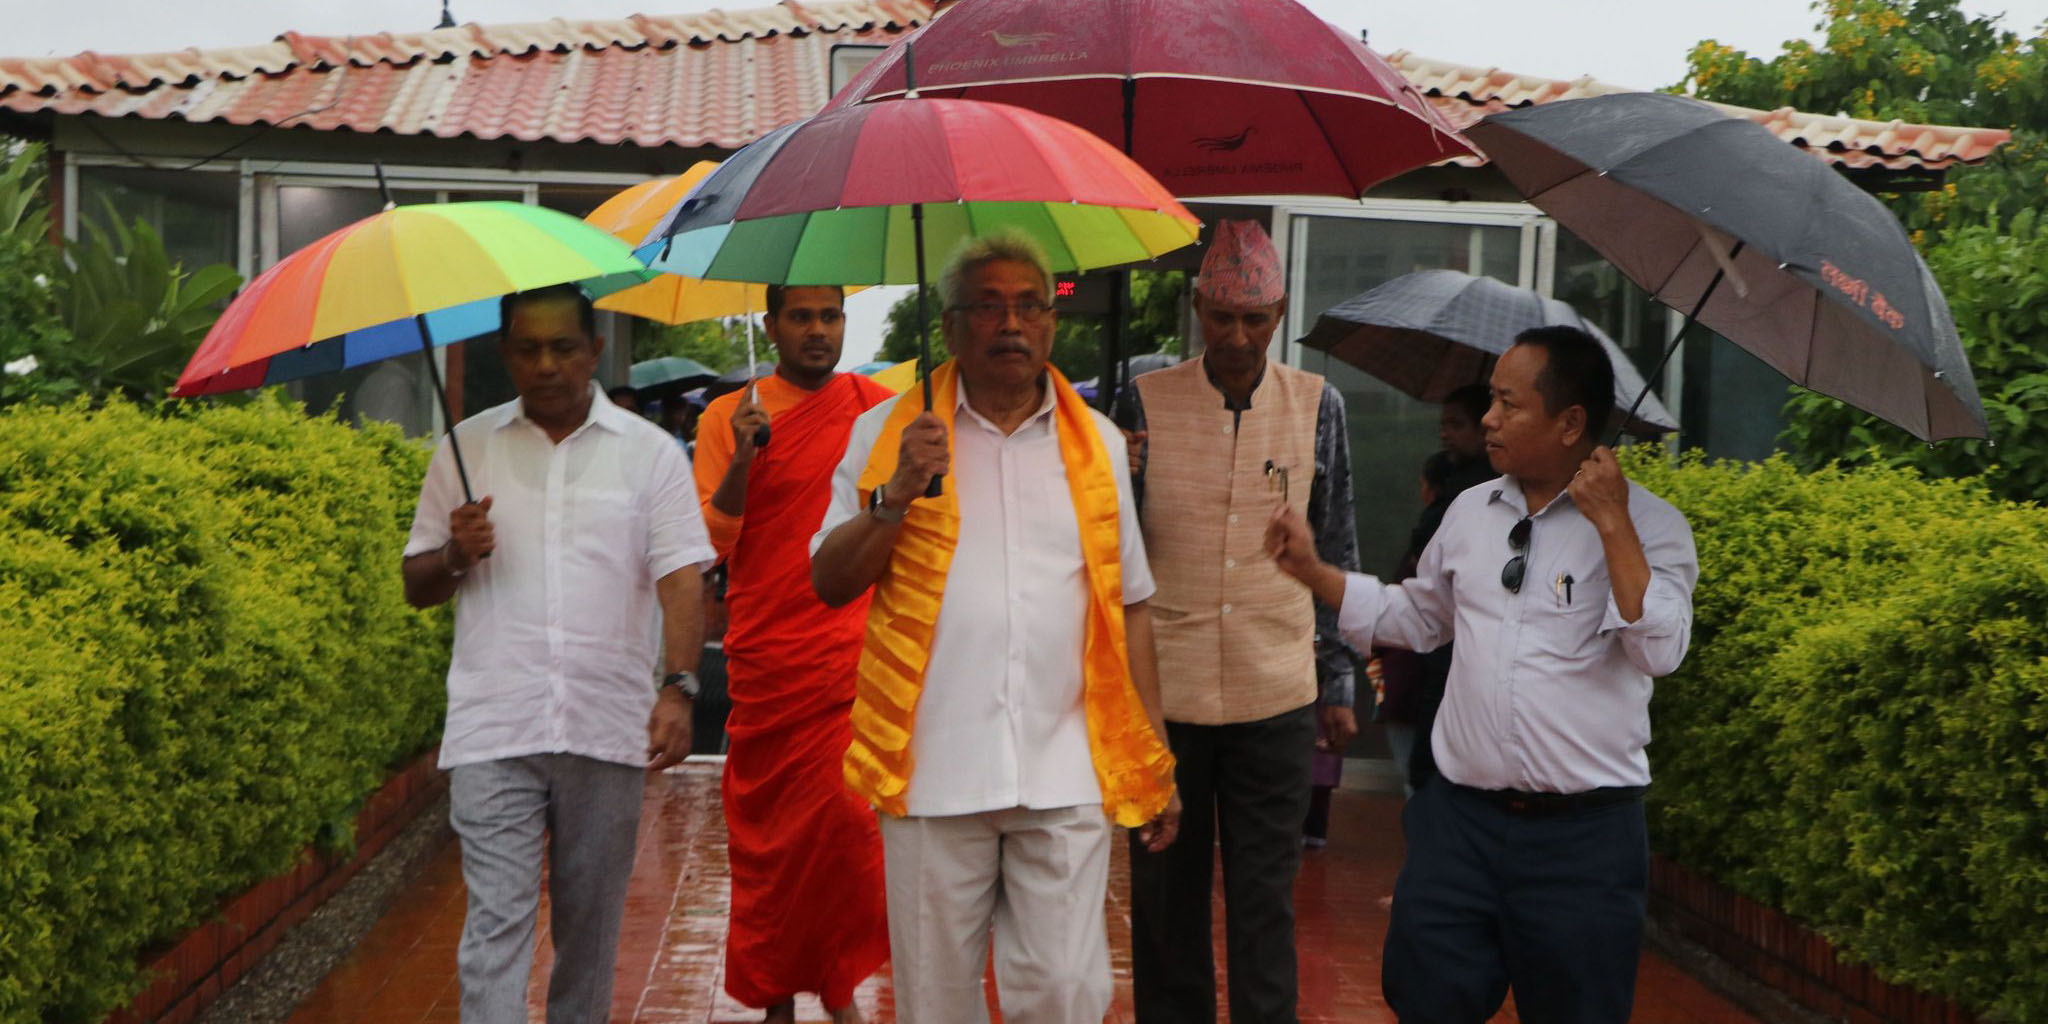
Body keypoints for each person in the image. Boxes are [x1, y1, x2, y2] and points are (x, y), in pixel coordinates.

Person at [1265, 325, 1699, 1024]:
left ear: (1571, 425)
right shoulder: (1470, 512)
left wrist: (1614, 524)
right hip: (1458, 825)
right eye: (1491, 402)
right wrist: (1317, 573)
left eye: (1508, 403)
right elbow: (1418, 617)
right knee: (1425, 999)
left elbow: (1661, 651)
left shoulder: (1655, 527)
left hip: (1582, 842)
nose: (1488, 419)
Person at [810, 232, 1181, 1024]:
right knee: (935, 1004)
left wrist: (1154, 756)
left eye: (1027, 306)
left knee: (1064, 993)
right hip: (933, 766)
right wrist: (899, 492)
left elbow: (1130, 606)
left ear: (1052, 324)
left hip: (1065, 764)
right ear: (949, 327)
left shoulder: (1102, 446)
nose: (1009, 324)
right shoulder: (890, 439)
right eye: (987, 307)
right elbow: (829, 580)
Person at [401, 283, 714, 1024]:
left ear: (595, 350)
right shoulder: (465, 447)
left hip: (607, 728)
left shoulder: (649, 456)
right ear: (505, 354)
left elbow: (680, 577)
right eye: (527, 348)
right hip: (495, 727)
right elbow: (415, 583)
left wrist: (678, 688)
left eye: (563, 347)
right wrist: (454, 553)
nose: (545, 364)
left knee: (589, 937)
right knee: (495, 933)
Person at [1118, 218, 1359, 1024]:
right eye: (1221, 316)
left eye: (1254, 319)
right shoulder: (1141, 396)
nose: (1236, 335)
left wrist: (1338, 679)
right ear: (1196, 308)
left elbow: (1339, 543)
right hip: (1165, 698)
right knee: (1164, 900)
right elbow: (1111, 547)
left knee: (1265, 900)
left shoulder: (1320, 407)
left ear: (1280, 314)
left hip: (1275, 695)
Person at [692, 284, 895, 1024]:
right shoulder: (728, 417)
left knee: (845, 837)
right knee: (771, 850)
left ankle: (836, 989)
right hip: (768, 661)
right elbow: (714, 541)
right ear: (770, 324)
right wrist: (744, 459)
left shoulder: (878, 408)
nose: (817, 331)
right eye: (801, 317)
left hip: (851, 656)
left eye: (830, 316)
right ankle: (776, 998)